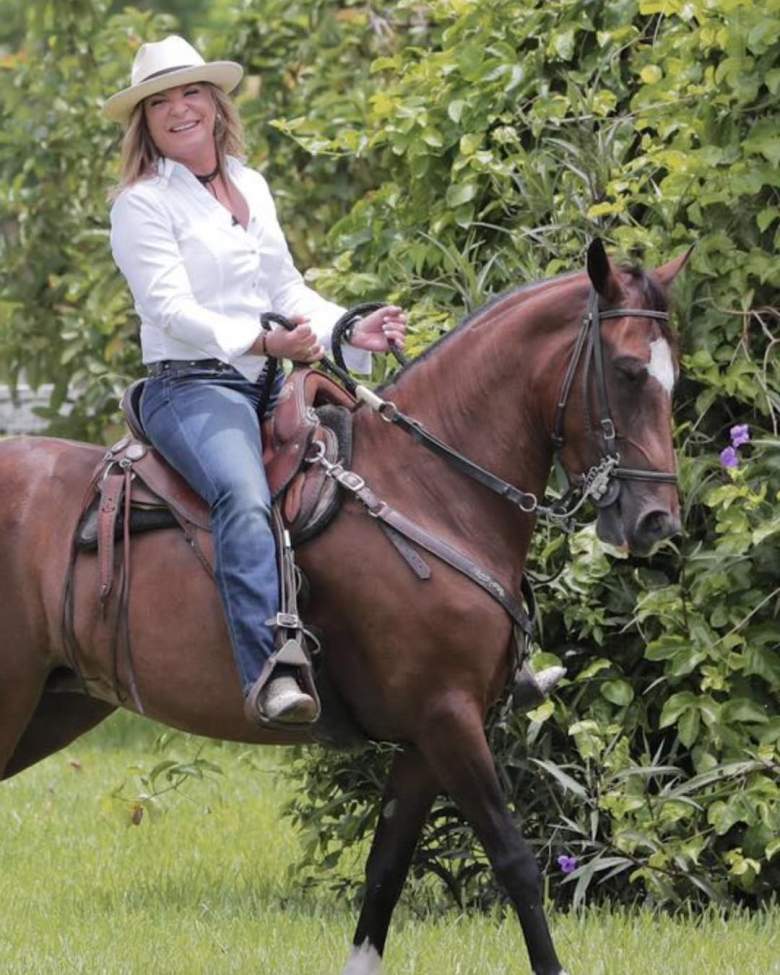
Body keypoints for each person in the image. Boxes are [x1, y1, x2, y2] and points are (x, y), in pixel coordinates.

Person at [104, 36, 406, 725]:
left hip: (271, 378)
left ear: (214, 102)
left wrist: (347, 331)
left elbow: (286, 286)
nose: (179, 109)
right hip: (192, 387)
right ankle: (270, 669)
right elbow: (169, 309)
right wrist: (258, 339)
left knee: (380, 461)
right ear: (144, 121)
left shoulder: (252, 184)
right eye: (160, 102)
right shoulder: (141, 204)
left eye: (190, 93)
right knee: (242, 495)